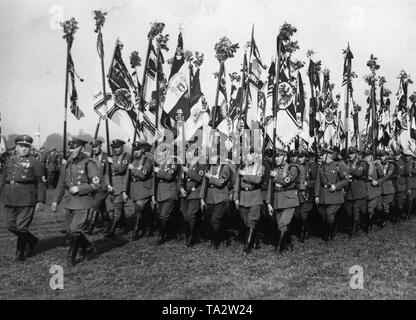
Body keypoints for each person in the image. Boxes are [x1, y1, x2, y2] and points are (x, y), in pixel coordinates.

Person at [52, 137, 102, 266]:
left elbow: (96, 185)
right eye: (71, 147)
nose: (72, 150)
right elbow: (61, 184)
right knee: (70, 230)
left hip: (83, 201)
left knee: (75, 229)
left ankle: (71, 258)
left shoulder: (89, 163)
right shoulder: (68, 164)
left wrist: (79, 188)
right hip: (70, 202)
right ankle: (88, 248)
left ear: (82, 148)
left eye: (75, 147)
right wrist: (56, 201)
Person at [0, 135, 46, 261]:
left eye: (27, 146)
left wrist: (40, 200)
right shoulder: (10, 160)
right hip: (10, 196)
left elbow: (41, 183)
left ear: (30, 148)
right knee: (9, 225)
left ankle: (19, 255)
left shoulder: (35, 162)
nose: (24, 149)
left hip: (26, 197)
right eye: (21, 146)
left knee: (22, 226)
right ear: (16, 147)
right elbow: (3, 178)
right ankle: (31, 240)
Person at [266, 148, 299, 253]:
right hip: (277, 200)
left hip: (289, 199)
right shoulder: (274, 170)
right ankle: (288, 243)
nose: (276, 158)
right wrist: (268, 203)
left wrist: (276, 176)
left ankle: (279, 248)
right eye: (275, 156)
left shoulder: (292, 168)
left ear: (285, 157)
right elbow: (270, 188)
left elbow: (286, 181)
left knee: (282, 224)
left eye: (278, 156)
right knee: (280, 225)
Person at [234, 147, 266, 254]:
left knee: (252, 220)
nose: (249, 157)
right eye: (247, 155)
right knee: (246, 221)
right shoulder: (242, 167)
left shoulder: (260, 167)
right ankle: (256, 239)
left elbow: (258, 180)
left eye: (251, 155)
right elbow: (237, 184)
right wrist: (236, 198)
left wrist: (245, 175)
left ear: (256, 156)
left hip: (255, 196)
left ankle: (247, 246)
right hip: (243, 196)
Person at [200, 144, 232, 250]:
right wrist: (202, 198)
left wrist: (210, 177)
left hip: (221, 197)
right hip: (210, 197)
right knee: (211, 219)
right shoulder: (209, 167)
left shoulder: (225, 167)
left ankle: (215, 242)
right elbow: (204, 183)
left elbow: (221, 182)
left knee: (215, 220)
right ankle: (219, 237)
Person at [314, 148, 349, 242]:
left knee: (330, 215)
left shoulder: (338, 166)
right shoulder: (320, 167)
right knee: (323, 215)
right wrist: (316, 195)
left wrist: (336, 186)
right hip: (323, 195)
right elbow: (318, 182)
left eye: (322, 155)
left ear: (328, 156)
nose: (320, 157)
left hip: (334, 195)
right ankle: (331, 230)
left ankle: (329, 235)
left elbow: (346, 180)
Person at [179, 141, 205, 247]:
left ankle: (191, 237)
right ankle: (189, 235)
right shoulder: (186, 164)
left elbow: (199, 178)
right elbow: (179, 178)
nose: (188, 154)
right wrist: (180, 188)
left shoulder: (200, 163)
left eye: (190, 152)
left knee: (191, 215)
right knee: (185, 215)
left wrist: (187, 171)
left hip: (195, 193)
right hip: (185, 194)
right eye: (187, 152)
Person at [127, 140, 154, 240]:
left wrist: (133, 169)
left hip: (144, 188)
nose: (136, 152)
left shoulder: (147, 160)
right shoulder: (133, 160)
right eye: (135, 150)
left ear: (142, 150)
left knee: (138, 210)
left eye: (138, 150)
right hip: (135, 189)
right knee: (147, 210)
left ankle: (136, 231)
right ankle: (149, 227)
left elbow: (143, 174)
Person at [153, 145, 179, 245]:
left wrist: (158, 171)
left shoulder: (173, 163)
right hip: (161, 192)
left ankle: (161, 236)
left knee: (164, 215)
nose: (163, 153)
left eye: (165, 151)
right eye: (162, 152)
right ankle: (170, 232)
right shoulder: (161, 163)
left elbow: (169, 176)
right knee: (160, 214)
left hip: (169, 192)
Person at [105, 139, 130, 237]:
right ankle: (122, 227)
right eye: (114, 148)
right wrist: (107, 184)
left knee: (117, 207)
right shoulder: (111, 157)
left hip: (121, 185)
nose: (116, 149)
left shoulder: (126, 156)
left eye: (118, 147)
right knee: (119, 208)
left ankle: (112, 230)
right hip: (112, 186)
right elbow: (107, 173)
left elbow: (121, 169)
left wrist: (112, 163)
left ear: (122, 147)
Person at [345, 147, 369, 238]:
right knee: (349, 211)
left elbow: (358, 173)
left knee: (356, 209)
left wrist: (347, 169)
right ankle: (358, 224)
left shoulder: (362, 163)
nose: (350, 155)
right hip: (350, 190)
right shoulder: (349, 163)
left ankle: (354, 231)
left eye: (352, 154)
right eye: (349, 154)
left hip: (360, 189)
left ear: (356, 154)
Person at [88, 138, 110, 233]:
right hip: (93, 186)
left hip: (102, 186)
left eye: (96, 147)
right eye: (92, 147)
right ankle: (107, 223)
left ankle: (91, 226)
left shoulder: (106, 157)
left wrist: (107, 185)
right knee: (101, 206)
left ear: (100, 146)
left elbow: (107, 173)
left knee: (96, 205)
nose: (94, 149)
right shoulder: (90, 158)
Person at [296, 150, 318, 243]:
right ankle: (306, 229)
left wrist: (307, 183)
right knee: (297, 214)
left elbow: (316, 181)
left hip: (307, 194)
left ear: (306, 157)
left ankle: (305, 232)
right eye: (298, 157)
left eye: (301, 157)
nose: (299, 159)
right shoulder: (296, 166)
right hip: (297, 193)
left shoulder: (311, 166)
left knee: (303, 213)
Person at [363, 150, 384, 233]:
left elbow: (382, 176)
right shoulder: (362, 164)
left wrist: (377, 182)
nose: (367, 158)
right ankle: (368, 223)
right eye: (365, 156)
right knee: (366, 209)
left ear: (371, 156)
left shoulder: (376, 165)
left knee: (373, 208)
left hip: (373, 189)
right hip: (364, 189)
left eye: (368, 156)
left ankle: (370, 226)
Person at [379, 150, 396, 227]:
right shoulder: (378, 164)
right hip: (380, 188)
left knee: (385, 205)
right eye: (380, 156)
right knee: (380, 205)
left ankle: (384, 221)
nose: (381, 157)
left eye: (382, 156)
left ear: (386, 156)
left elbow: (387, 176)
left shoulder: (390, 165)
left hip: (388, 188)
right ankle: (383, 218)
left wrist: (378, 181)